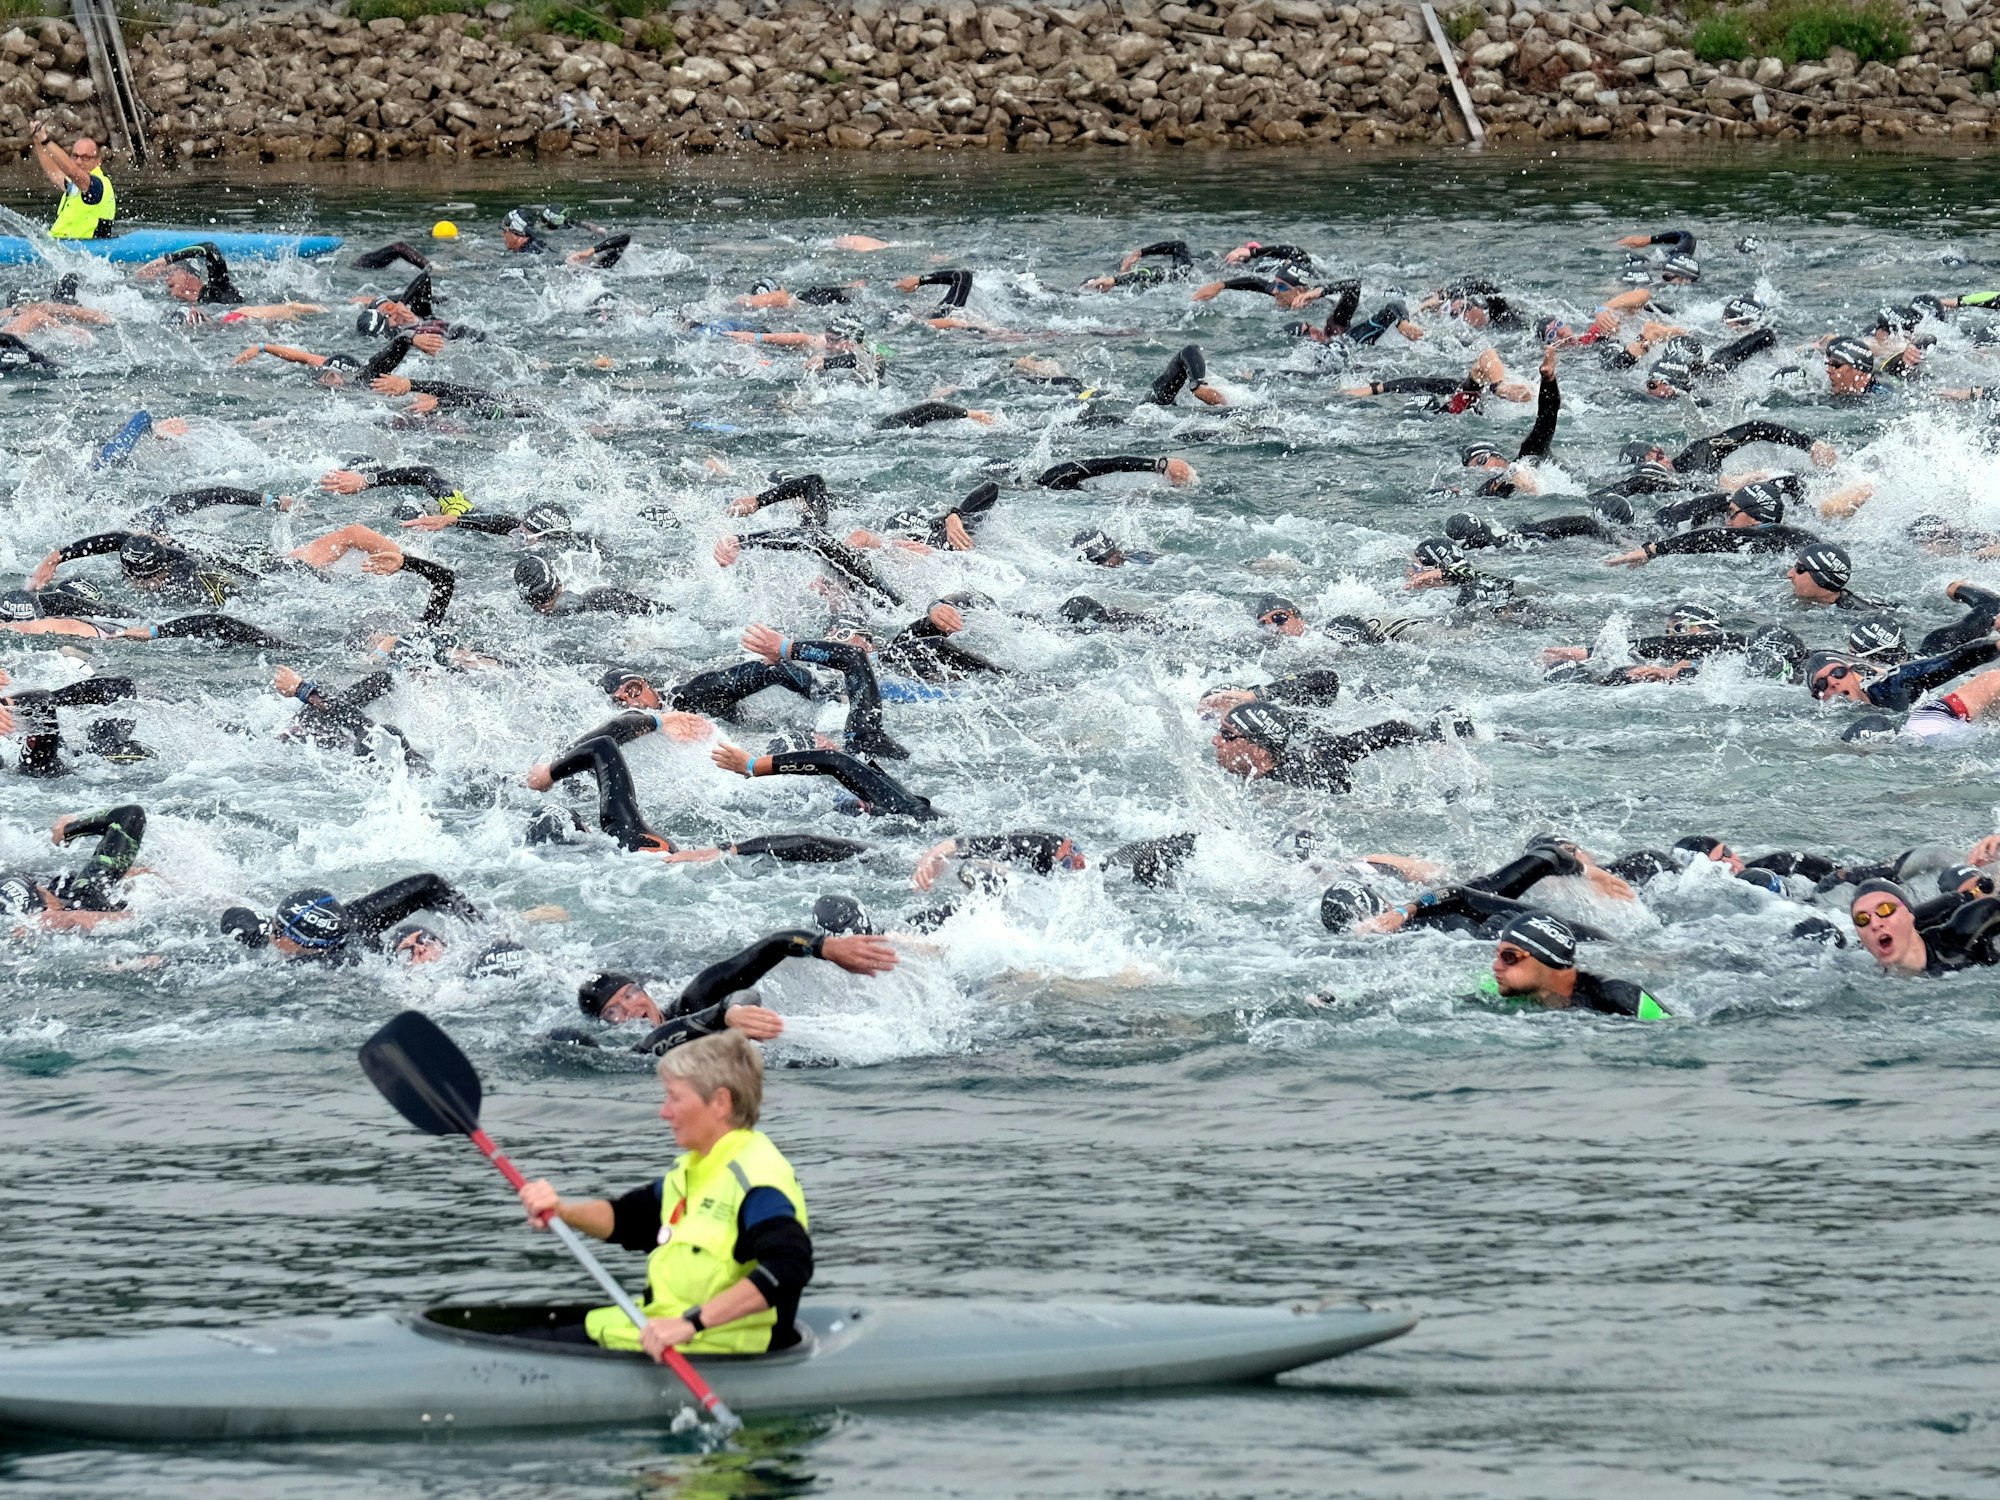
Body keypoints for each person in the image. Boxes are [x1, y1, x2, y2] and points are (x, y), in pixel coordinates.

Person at [515, 1030, 813, 1357]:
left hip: (716, 1347)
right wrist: (562, 1211)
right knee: (523, 1337)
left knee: (520, 1351)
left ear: (720, 1102)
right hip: (664, 1333)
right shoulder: (696, 1170)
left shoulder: (755, 1179)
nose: (664, 1112)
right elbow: (625, 1219)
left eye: (675, 1097)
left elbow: (789, 1267)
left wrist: (692, 1323)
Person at [572, 926, 898, 1054]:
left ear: (643, 990)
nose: (631, 1009)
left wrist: (825, 946)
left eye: (630, 994)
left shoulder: (693, 1001)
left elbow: (773, 945)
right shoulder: (632, 1055)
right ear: (605, 1025)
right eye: (613, 1012)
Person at [219, 873, 477, 961]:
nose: (272, 937)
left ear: (308, 945)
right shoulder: (352, 918)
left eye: (278, 932)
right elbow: (427, 884)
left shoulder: (330, 962)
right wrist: (480, 926)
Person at [1480, 912, 1669, 1018]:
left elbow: (1671, 1032)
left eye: (1509, 957)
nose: (1496, 966)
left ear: (1546, 959)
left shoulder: (1622, 997)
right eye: (1497, 955)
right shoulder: (1496, 989)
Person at [0, 805, 147, 930]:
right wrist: (139, 915)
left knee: (140, 874)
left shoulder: (70, 897)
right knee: (132, 817)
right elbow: (67, 918)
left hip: (72, 899)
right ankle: (67, 829)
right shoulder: (76, 905)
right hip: (77, 906)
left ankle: (67, 829)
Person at [1849, 878, 2000, 975]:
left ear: (1910, 915)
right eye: (1862, 919)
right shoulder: (1860, 980)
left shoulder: (1961, 935)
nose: (1875, 924)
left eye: (1885, 910)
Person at [31, 125, 113, 240]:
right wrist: (37, 141)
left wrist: (45, 140)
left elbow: (72, 171)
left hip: (87, 252)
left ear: (98, 161)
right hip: (60, 247)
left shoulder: (96, 185)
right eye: (75, 156)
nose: (79, 162)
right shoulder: (75, 184)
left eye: (86, 157)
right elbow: (54, 173)